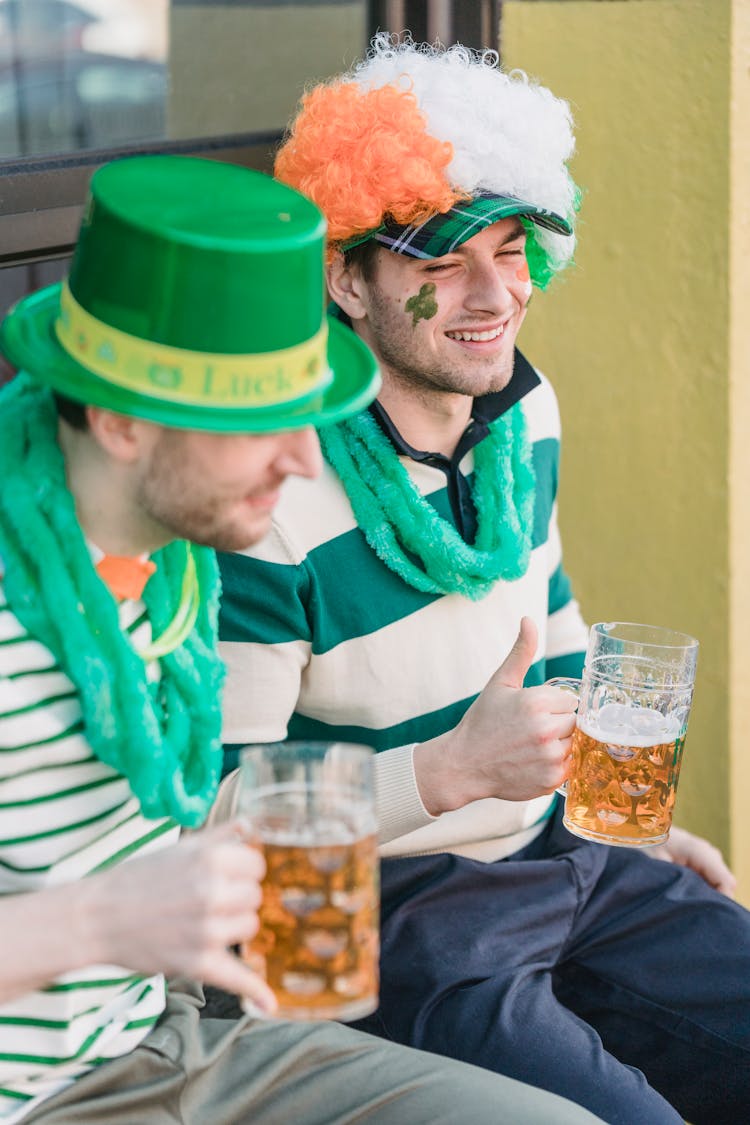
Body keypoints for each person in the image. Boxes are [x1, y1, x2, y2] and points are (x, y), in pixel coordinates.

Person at [0, 153, 605, 1125]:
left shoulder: (182, 567)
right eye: (259, 425)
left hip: (183, 1037)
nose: (307, 458)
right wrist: (106, 919)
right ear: (117, 419)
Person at [216, 37, 750, 1125]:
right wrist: (446, 772)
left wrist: (626, 825)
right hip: (389, 913)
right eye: (440, 258)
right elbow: (217, 822)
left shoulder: (522, 416)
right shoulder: (262, 492)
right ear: (345, 279)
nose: (493, 292)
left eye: (513, 250)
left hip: (568, 850)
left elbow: (548, 623)